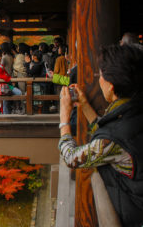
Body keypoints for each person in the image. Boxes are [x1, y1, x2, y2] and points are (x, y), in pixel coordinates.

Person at [59, 45, 143, 227]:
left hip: (134, 213)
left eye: (101, 75)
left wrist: (64, 119)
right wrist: (85, 106)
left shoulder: (115, 135)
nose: (99, 79)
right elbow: (113, 134)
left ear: (111, 86)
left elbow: (72, 158)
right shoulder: (133, 110)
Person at [0, 50, 22, 114]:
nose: (0, 58)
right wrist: (6, 77)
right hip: (1, 85)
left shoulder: (0, 65)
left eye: (1, 57)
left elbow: (6, 74)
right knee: (17, 94)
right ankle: (6, 113)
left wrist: (8, 78)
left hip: (6, 84)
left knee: (6, 100)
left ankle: (6, 113)